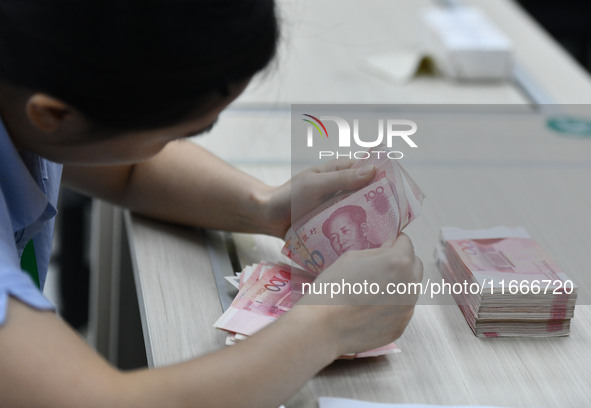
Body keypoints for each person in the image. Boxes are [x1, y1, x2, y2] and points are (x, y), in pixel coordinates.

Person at [0, 1, 423, 407]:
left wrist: (264, 205)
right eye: (169, 134)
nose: (167, 147)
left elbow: (128, 170)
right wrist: (328, 324)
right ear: (54, 115)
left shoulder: (26, 87)